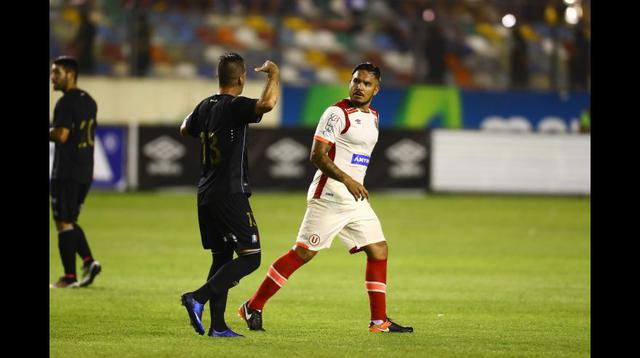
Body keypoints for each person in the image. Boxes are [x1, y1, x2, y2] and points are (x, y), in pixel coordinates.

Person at [238, 62, 413, 333]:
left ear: (376, 89)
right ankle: (253, 305)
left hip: (355, 199)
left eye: (366, 83)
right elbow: (317, 155)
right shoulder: (336, 113)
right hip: (330, 195)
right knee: (303, 253)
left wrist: (354, 183)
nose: (359, 87)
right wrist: (347, 179)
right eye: (356, 81)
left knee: (379, 249)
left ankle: (379, 321)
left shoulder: (373, 116)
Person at [179, 53, 280, 338]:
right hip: (230, 193)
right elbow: (268, 103)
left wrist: (203, 112)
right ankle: (196, 297)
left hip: (206, 193)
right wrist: (274, 75)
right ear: (241, 78)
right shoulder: (235, 106)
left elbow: (185, 128)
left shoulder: (206, 105)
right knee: (252, 257)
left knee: (221, 258)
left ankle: (218, 326)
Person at [49, 56, 102, 288]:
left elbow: (61, 135)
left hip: (66, 170)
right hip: (84, 171)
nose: (52, 78)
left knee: (63, 222)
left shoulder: (65, 103)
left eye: (56, 72)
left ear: (70, 74)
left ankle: (69, 277)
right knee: (70, 219)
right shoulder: (89, 101)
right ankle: (89, 262)